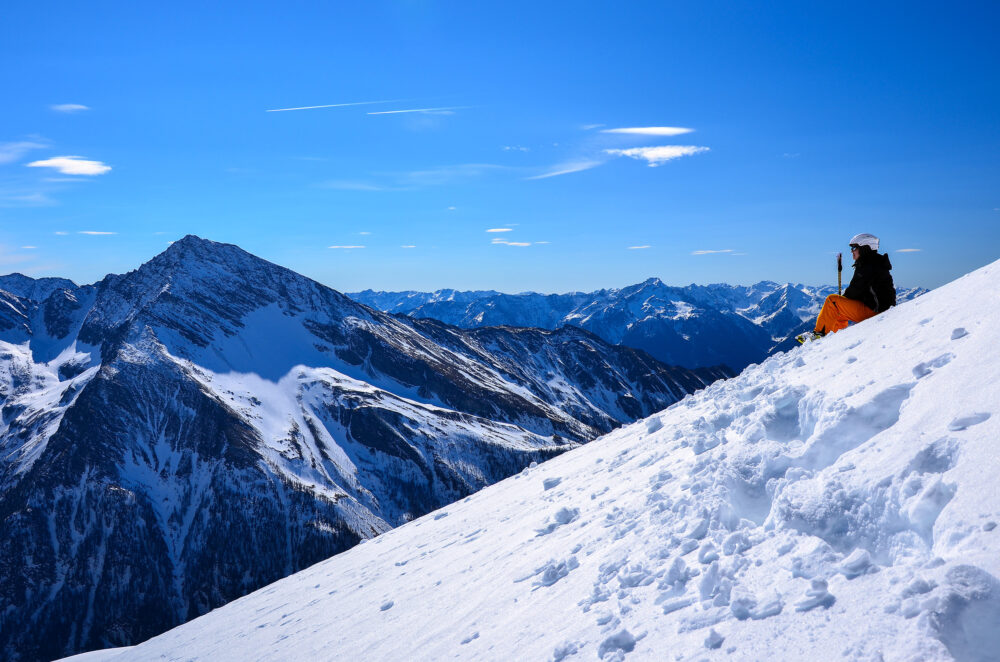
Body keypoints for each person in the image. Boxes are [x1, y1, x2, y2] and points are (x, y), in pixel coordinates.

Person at [800, 233, 896, 341]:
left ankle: (818, 334)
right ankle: (833, 338)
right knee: (839, 312)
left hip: (875, 311)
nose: (852, 251)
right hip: (878, 308)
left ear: (865, 248)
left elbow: (855, 290)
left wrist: (843, 299)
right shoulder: (874, 263)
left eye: (855, 248)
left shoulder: (868, 266)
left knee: (832, 301)